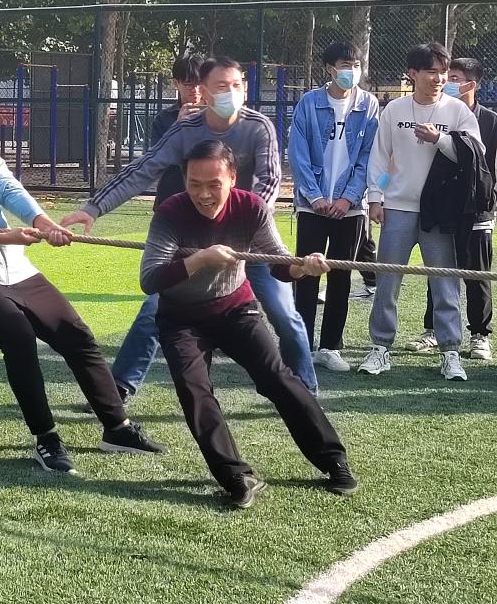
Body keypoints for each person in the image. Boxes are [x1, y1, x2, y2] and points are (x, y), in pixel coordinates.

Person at [0, 99, 166, 474]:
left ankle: (117, 428)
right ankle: (47, 438)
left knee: (77, 335)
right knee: (19, 338)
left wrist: (43, 223)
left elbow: (13, 194)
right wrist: (3, 236)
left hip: (19, 271)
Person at [62, 55, 319, 394]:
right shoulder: (186, 129)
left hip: (251, 240)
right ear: (205, 91)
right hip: (195, 242)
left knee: (284, 314)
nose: (231, 92)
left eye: (237, 85)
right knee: (154, 309)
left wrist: (243, 228)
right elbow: (144, 169)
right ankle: (120, 387)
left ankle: (306, 390)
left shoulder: (259, 126)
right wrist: (94, 208)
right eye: (221, 86)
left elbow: (269, 182)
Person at [142, 140, 356, 508]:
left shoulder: (251, 207)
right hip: (180, 318)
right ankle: (235, 476)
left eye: (214, 184)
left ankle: (333, 459)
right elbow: (150, 279)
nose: (204, 194)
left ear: (232, 178)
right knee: (194, 391)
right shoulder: (170, 212)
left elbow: (279, 264)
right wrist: (199, 260)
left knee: (277, 377)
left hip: (235, 308)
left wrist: (303, 267)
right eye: (194, 184)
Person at [360, 43, 483, 381]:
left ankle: (450, 352)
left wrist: (440, 139)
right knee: (387, 281)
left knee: (445, 282)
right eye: (432, 72)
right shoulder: (394, 109)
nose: (439, 79)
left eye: (443, 72)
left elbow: (475, 154)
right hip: (397, 208)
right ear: (412, 74)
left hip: (439, 212)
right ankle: (380, 347)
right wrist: (376, 196)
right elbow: (382, 158)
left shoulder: (457, 111)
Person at [93, 54, 205, 407]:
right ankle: (121, 385)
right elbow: (156, 162)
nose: (195, 91)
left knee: (269, 305)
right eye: (187, 83)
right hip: (172, 221)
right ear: (176, 85)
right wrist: (179, 129)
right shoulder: (164, 120)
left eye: (200, 83)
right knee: (156, 303)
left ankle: (299, 382)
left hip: (219, 224)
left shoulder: (220, 121)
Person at [288, 41, 379, 372]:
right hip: (312, 206)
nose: (350, 71)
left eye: (355, 65)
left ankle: (329, 347)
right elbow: (297, 153)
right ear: (329, 68)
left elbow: (368, 157)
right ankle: (301, 346)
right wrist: (314, 197)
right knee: (306, 274)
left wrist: (348, 198)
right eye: (344, 65)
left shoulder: (369, 105)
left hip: (350, 208)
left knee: (341, 276)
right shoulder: (309, 103)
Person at [409, 57, 496, 360]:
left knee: (476, 273)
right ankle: (433, 330)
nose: (446, 81)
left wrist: (488, 199)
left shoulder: (490, 121)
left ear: (471, 84)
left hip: (476, 209)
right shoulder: (436, 112)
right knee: (439, 270)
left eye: (454, 77)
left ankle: (479, 335)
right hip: (442, 207)